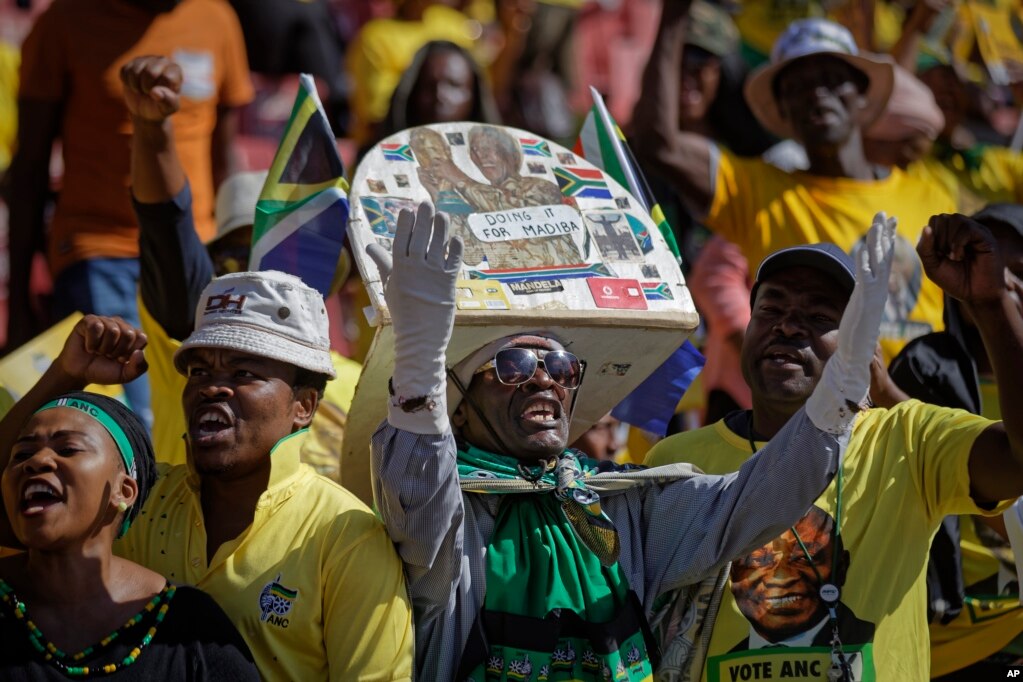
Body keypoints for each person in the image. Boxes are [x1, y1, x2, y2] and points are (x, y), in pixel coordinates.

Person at [367, 202, 896, 680]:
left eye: (560, 366)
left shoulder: (621, 506)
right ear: (459, 410)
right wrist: (418, 370)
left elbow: (757, 500)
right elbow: (420, 492)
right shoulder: (452, 513)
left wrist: (842, 387)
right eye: (514, 364)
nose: (544, 379)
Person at [645, 213, 1023, 681]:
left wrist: (991, 305)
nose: (787, 327)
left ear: (862, 348)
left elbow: (1016, 457)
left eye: (820, 317)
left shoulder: (908, 441)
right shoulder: (674, 461)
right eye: (770, 309)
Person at [0, 282, 415, 679]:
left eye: (244, 373)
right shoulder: (137, 499)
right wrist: (66, 375)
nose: (212, 387)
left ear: (303, 406)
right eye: (198, 371)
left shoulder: (345, 537)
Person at [633, 5, 957, 361]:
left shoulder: (933, 197)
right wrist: (673, 15)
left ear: (862, 95)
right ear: (783, 109)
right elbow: (658, 142)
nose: (817, 92)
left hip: (923, 412)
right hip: (818, 415)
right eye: (798, 86)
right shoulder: (756, 192)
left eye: (832, 78)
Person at [6, 0, 254, 424]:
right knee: (137, 417)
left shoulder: (217, 18)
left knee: (198, 411)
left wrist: (241, 251)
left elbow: (225, 153)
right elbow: (29, 166)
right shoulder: (65, 22)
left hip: (193, 253)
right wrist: (18, 302)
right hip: (97, 249)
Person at [122, 55, 361, 478]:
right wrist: (153, 130)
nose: (256, 276)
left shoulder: (364, 388)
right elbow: (166, 227)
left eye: (279, 258)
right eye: (233, 260)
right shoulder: (189, 333)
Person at [0, 383, 258, 679]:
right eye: (21, 454)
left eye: (68, 449)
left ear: (124, 491)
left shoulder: (189, 624)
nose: (36, 462)